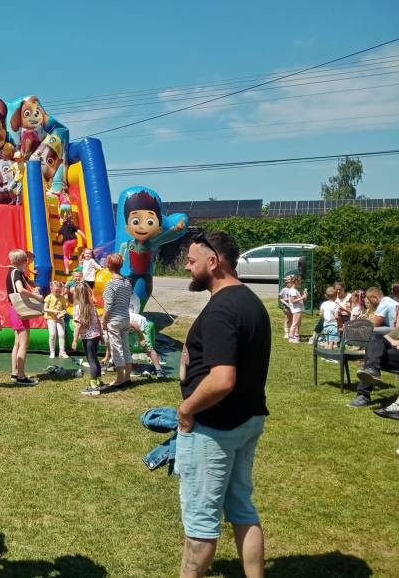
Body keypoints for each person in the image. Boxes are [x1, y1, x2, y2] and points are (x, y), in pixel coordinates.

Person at [176, 231, 271, 578]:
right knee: (241, 507)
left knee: (201, 521)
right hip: (247, 419)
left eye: (192, 261)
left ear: (213, 262)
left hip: (215, 428)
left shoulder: (222, 309)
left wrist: (187, 410)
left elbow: (222, 380)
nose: (187, 267)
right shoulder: (250, 301)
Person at [100, 253, 133, 393]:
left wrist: (103, 319)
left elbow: (108, 305)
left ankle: (119, 379)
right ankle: (127, 377)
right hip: (125, 318)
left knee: (116, 349)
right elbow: (127, 300)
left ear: (109, 265)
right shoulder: (127, 282)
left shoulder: (111, 284)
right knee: (125, 347)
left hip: (114, 320)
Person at [5, 249, 38, 386]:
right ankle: (21, 376)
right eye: (25, 260)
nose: (27, 262)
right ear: (20, 261)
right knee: (23, 344)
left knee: (17, 344)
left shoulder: (11, 271)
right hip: (20, 310)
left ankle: (15, 372)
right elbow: (20, 290)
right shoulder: (17, 272)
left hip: (14, 309)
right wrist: (37, 296)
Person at [71, 282, 104, 395]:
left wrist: (74, 340)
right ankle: (98, 381)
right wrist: (101, 335)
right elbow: (98, 322)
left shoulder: (77, 308)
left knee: (91, 361)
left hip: (88, 338)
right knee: (95, 359)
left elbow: (78, 326)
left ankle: (93, 385)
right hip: (95, 336)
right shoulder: (92, 306)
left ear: (76, 295)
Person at [131, 306, 166, 380]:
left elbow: (136, 326)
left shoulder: (119, 319)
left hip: (142, 325)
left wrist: (141, 339)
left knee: (148, 349)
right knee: (126, 347)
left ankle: (159, 370)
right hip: (132, 328)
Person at [44, 280, 68, 359]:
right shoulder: (49, 297)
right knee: (52, 334)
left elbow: (65, 309)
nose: (58, 292)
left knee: (61, 334)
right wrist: (53, 311)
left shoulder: (62, 298)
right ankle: (52, 352)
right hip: (51, 318)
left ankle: (62, 352)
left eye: (59, 291)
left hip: (59, 319)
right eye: (56, 291)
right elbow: (45, 309)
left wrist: (62, 314)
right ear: (52, 289)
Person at [287, 275, 306, 344]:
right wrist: (302, 297)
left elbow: (297, 299)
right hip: (296, 309)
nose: (300, 283)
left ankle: (296, 336)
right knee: (295, 323)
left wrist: (303, 296)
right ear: (296, 281)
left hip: (298, 309)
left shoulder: (295, 290)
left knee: (298, 324)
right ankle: (291, 338)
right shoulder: (293, 291)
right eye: (300, 281)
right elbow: (293, 300)